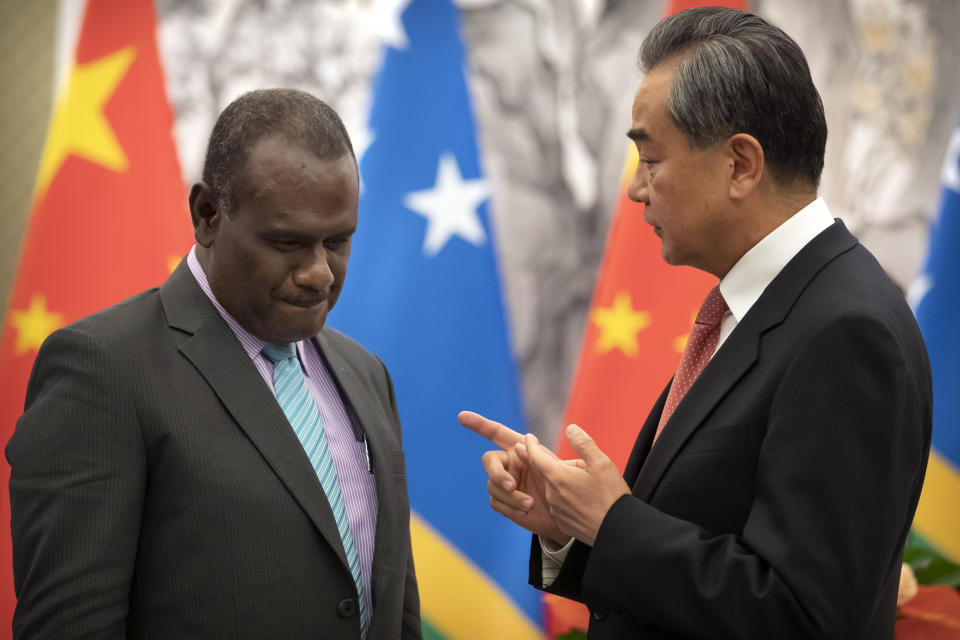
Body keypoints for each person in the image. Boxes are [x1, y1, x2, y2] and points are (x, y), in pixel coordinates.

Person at [460, 7, 931, 639]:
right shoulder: (763, 304)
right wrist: (569, 527)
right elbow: (699, 539)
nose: (636, 190)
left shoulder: (847, 332)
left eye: (650, 160)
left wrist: (613, 522)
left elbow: (803, 617)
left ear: (740, 164)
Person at [7, 89, 420, 639]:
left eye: (338, 241)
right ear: (207, 214)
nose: (320, 272)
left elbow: (392, 605)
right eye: (288, 241)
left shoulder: (366, 375)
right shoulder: (102, 369)